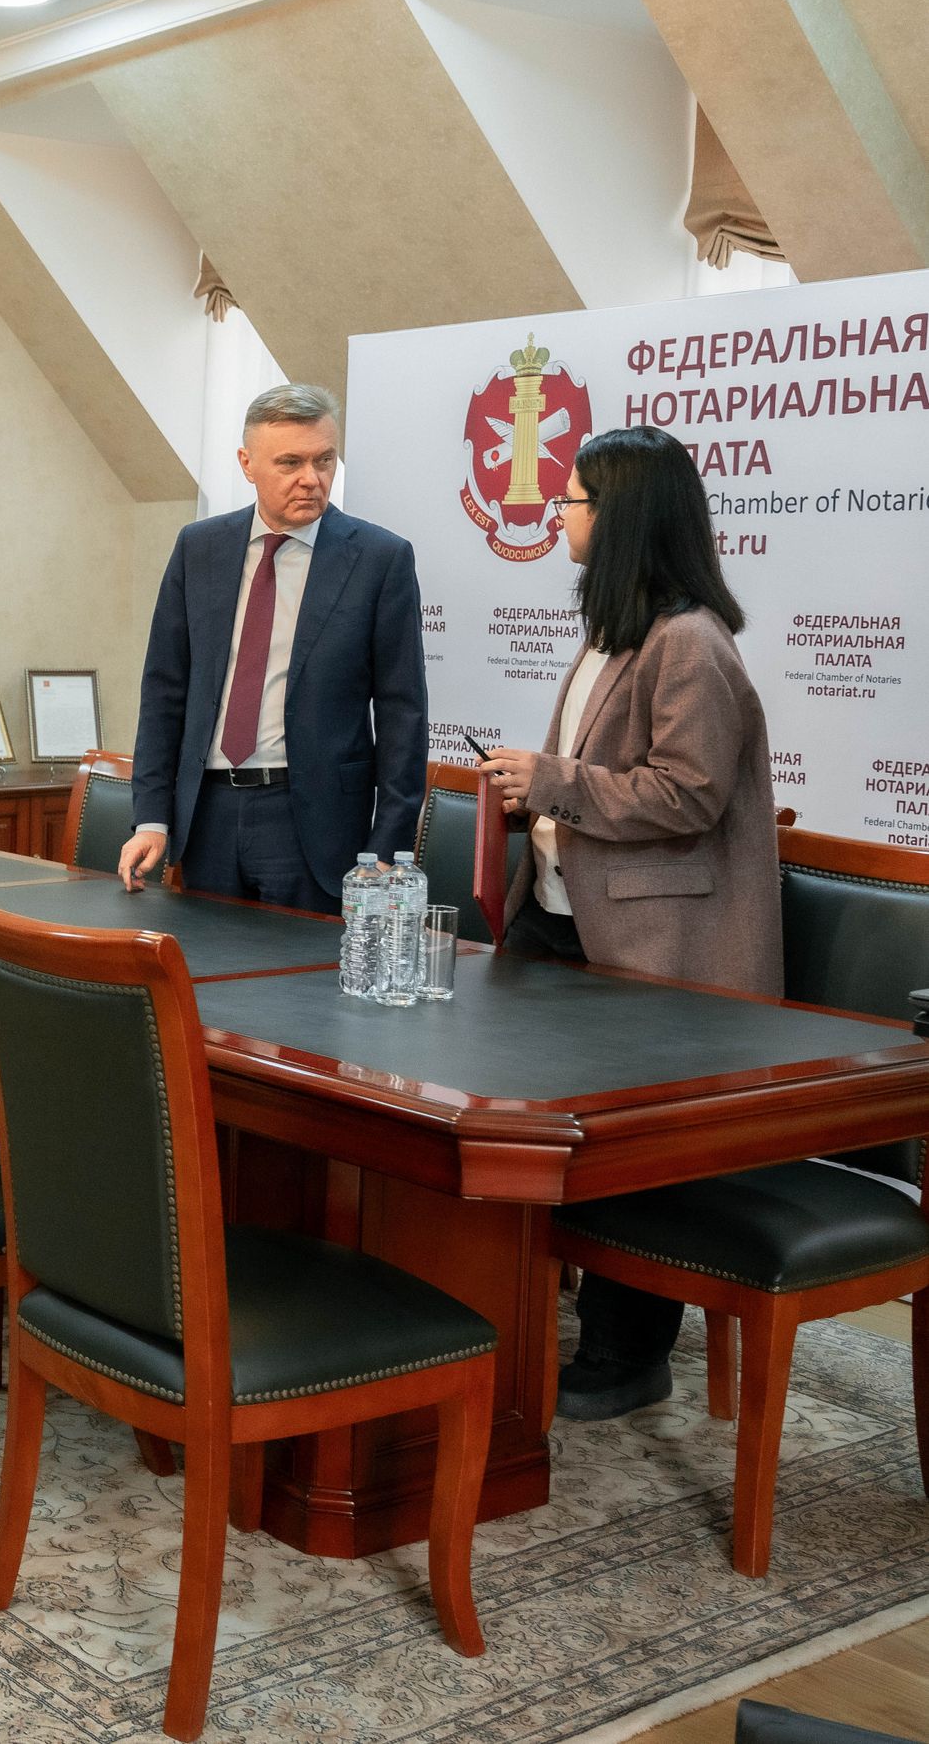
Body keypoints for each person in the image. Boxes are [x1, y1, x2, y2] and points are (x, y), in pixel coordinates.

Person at [478, 424, 781, 1421]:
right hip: (562, 920)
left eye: (570, 500)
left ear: (619, 519)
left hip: (651, 946)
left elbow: (689, 793)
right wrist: (533, 795)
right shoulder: (616, 628)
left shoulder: (691, 641)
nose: (558, 515)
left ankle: (628, 1352)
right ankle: (504, 1311)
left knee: (626, 1154)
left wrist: (552, 781)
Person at [122, 383, 428, 913]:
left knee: (304, 968)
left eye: (324, 460)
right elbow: (164, 690)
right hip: (208, 816)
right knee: (206, 962)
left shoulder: (380, 559)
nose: (311, 478)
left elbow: (404, 712)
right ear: (247, 464)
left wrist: (387, 847)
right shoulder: (199, 548)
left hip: (315, 822)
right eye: (290, 462)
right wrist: (151, 818)